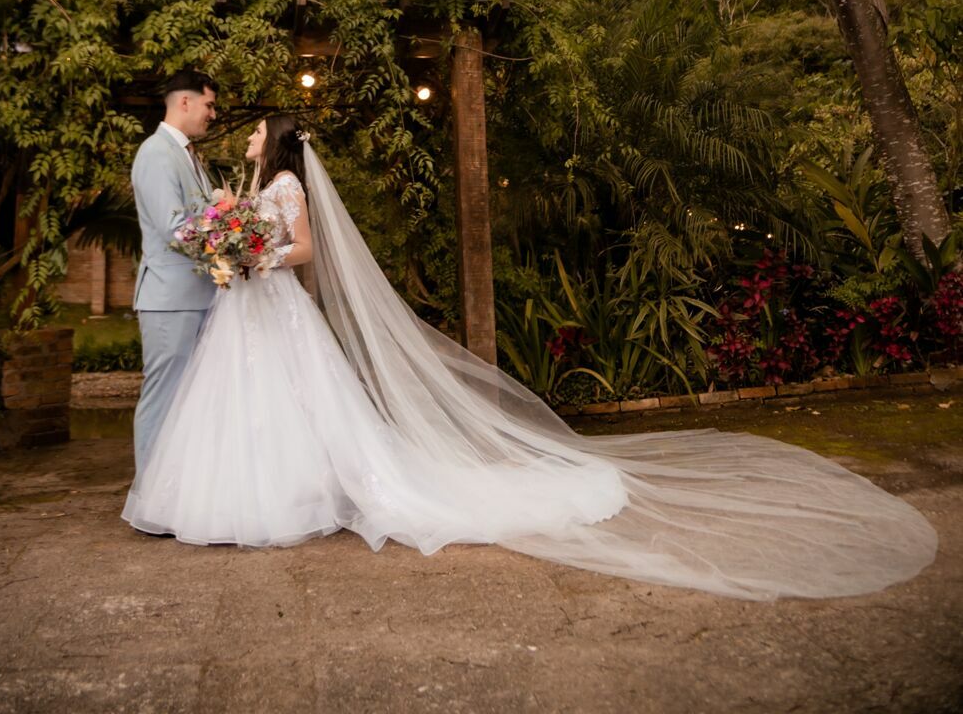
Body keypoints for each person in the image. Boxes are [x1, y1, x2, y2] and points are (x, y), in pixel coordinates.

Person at [122, 116, 938, 600]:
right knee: (259, 409)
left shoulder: (288, 186)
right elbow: (251, 238)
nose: (252, 136)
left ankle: (316, 491)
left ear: (278, 139)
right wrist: (237, 247)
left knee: (302, 403)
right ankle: (272, 491)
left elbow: (300, 251)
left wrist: (256, 257)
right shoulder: (247, 186)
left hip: (274, 305)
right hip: (250, 315)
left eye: (259, 129)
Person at [129, 68, 219, 473]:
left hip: (198, 294)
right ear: (185, 101)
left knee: (191, 399)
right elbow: (175, 227)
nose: (212, 114)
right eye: (209, 104)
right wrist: (229, 238)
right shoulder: (155, 152)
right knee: (164, 396)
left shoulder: (186, 153)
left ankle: (179, 493)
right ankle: (150, 494)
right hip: (170, 299)